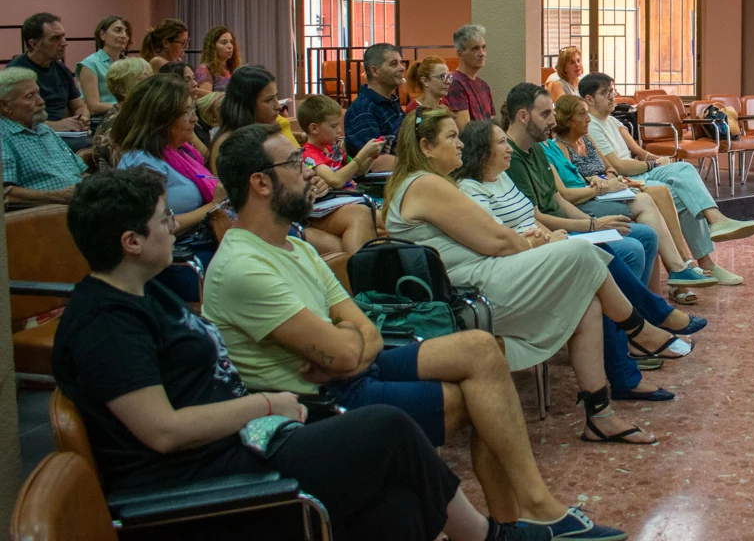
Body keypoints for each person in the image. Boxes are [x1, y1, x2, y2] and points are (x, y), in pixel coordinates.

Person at [52, 168, 551, 541]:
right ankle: (489, 536)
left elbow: (352, 326)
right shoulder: (105, 324)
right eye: (164, 220)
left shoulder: (146, 291)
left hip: (243, 443)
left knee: (397, 507)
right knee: (386, 428)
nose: (175, 227)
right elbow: (162, 431)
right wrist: (265, 404)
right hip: (206, 478)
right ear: (131, 241)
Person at [202, 124, 626, 541]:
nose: (309, 170)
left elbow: (362, 327)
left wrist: (352, 341)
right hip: (321, 397)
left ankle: (525, 514)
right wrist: (352, 343)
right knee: (483, 397)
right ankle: (513, 522)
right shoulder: (244, 265)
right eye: (295, 162)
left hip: (349, 369)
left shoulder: (294, 247)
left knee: (482, 349)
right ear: (260, 183)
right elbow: (346, 354)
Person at [384, 106, 692, 444]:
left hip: (485, 277)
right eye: (451, 136)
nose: (460, 144)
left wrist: (532, 239)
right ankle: (638, 328)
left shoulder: (432, 183)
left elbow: (502, 233)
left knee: (587, 300)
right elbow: (498, 240)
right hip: (470, 290)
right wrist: (534, 241)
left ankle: (600, 415)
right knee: (580, 252)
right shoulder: (426, 184)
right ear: (426, 147)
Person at [457, 118, 704, 392]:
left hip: (542, 245)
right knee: (593, 255)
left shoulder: (501, 176)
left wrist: (556, 236)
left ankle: (629, 367)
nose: (509, 149)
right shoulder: (469, 189)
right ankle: (646, 324)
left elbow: (530, 217)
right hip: (517, 265)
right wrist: (557, 237)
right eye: (501, 143)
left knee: (598, 266)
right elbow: (500, 240)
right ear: (482, 151)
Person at [580, 73, 754, 286]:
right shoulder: (591, 126)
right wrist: (653, 164)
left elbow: (638, 151)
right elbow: (618, 165)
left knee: (682, 169)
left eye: (612, 90)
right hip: (627, 177)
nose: (612, 96)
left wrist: (661, 159)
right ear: (589, 99)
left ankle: (714, 228)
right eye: (605, 93)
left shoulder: (614, 121)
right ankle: (695, 262)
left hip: (641, 170)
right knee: (680, 196)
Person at [545, 94, 714, 291]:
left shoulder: (587, 138)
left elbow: (609, 167)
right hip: (594, 195)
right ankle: (681, 268)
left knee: (672, 185)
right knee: (651, 200)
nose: (588, 119)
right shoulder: (556, 147)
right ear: (567, 119)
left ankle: (683, 266)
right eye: (582, 115)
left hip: (608, 186)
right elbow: (571, 188)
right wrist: (602, 185)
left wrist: (611, 179)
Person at [212, 66, 376, 256]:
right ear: (247, 104)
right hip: (271, 221)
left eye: (276, 97)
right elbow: (235, 201)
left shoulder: (270, 131)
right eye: (268, 100)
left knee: (364, 217)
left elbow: (295, 169)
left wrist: (315, 181)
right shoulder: (228, 144)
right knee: (344, 247)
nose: (277, 105)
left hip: (298, 206)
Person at [113, 75, 226, 253]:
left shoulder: (180, 152)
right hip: (177, 256)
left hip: (201, 241)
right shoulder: (143, 163)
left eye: (193, 110)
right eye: (187, 112)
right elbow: (155, 228)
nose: (194, 119)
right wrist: (213, 205)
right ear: (161, 118)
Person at [0, 68, 86, 205]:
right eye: (30, 96)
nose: (41, 101)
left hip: (82, 205)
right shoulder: (3, 137)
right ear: (5, 105)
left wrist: (96, 187)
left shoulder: (45, 129)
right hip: (45, 216)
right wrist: (60, 196)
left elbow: (81, 172)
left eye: (38, 93)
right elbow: (5, 193)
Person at [8, 12, 89, 133]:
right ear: (34, 44)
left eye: (63, 36)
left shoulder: (61, 69)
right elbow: (15, 120)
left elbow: (79, 106)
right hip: (36, 134)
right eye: (56, 38)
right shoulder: (15, 73)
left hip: (67, 132)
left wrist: (82, 118)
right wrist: (56, 126)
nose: (64, 43)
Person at [298, 94, 383, 191]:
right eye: (334, 126)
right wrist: (364, 153)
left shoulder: (334, 149)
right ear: (314, 128)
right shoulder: (309, 155)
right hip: (336, 199)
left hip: (353, 194)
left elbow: (360, 170)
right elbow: (335, 181)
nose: (339, 130)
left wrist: (372, 155)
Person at [344, 42, 406, 171]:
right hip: (383, 184)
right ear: (375, 71)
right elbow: (376, 162)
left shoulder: (390, 101)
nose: (402, 68)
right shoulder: (363, 109)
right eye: (394, 64)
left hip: (404, 175)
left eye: (401, 62)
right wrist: (422, 168)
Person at [92, 56, 153, 171]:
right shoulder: (116, 125)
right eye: (144, 80)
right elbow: (130, 172)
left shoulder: (141, 117)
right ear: (123, 90)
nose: (154, 86)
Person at [77, 15, 131, 117]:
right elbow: (93, 106)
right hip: (103, 120)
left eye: (126, 32)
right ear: (102, 35)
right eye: (118, 30)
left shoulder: (130, 64)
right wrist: (127, 108)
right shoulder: (90, 64)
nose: (124, 35)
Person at [447, 25, 494, 130]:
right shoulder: (454, 83)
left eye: (484, 47)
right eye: (475, 49)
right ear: (460, 54)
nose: (482, 53)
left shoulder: (484, 86)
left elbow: (491, 123)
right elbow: (465, 131)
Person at [159, 61, 209, 158]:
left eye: (194, 78)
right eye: (187, 80)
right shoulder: (176, 117)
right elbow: (205, 154)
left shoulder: (196, 108)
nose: (195, 84)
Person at [196, 26, 241, 94]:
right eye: (224, 42)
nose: (230, 46)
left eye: (231, 42)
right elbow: (207, 100)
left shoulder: (232, 67)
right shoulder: (205, 69)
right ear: (213, 46)